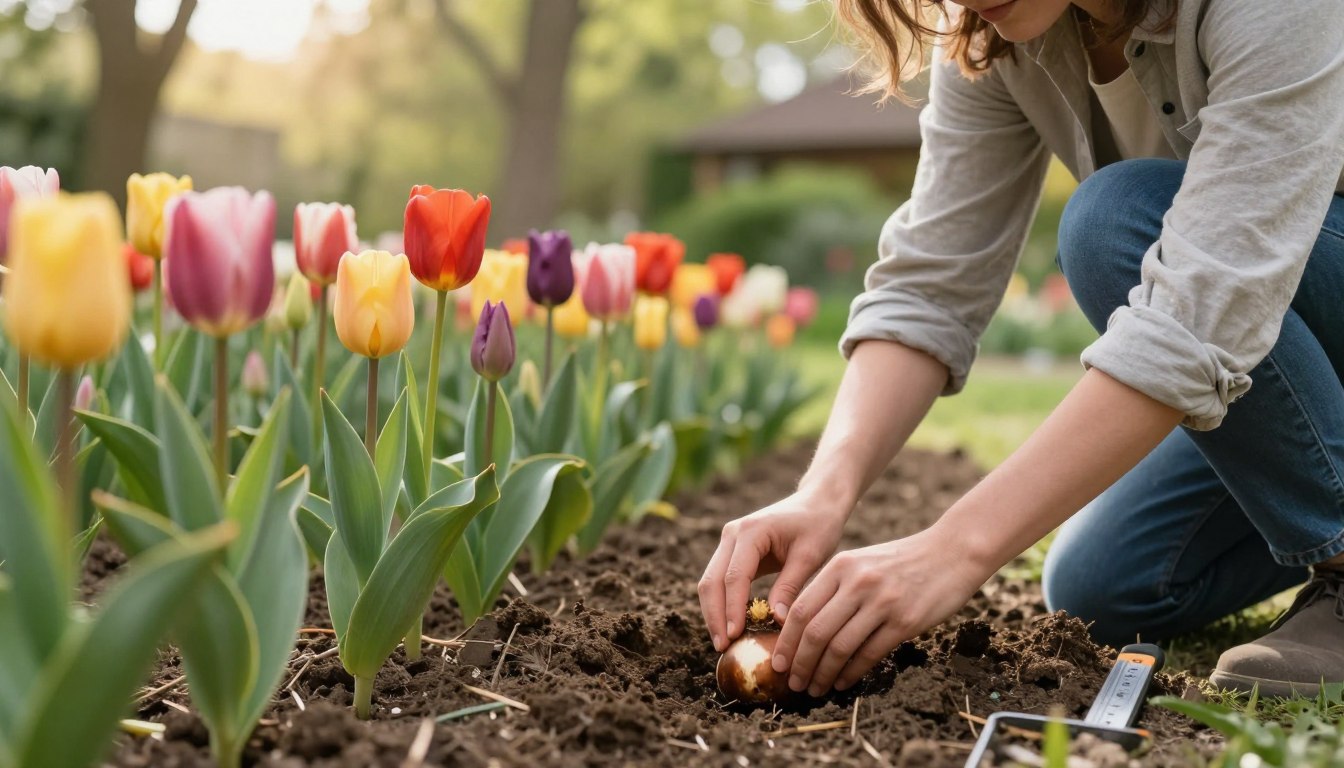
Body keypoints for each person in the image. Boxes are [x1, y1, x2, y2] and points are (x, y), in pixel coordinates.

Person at [698, 0, 1344, 701]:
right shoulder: (996, 36)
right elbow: (931, 284)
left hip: (1247, 292)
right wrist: (824, 492)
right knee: (1107, 584)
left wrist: (951, 551)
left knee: (1114, 223)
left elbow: (1203, 306)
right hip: (1271, 325)